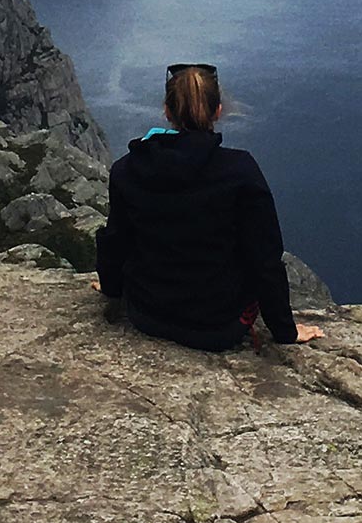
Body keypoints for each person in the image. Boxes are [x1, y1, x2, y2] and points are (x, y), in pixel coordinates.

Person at [93, 63, 325, 350]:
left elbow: (116, 239)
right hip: (219, 325)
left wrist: (111, 287)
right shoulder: (240, 170)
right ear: (218, 111)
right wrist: (285, 331)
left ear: (167, 110)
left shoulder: (126, 169)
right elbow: (264, 259)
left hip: (147, 314)